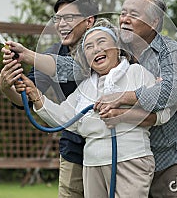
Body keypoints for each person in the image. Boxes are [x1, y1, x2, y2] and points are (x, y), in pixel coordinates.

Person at [6, 0, 177, 197]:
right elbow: (71, 67)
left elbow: (169, 93)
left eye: (133, 14)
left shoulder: (170, 51)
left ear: (154, 21)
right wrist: (27, 55)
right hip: (129, 155)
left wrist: (122, 98)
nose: (124, 19)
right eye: (123, 13)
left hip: (172, 154)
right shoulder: (114, 45)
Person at [12, 23, 163, 197]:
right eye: (89, 47)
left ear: (118, 47)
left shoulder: (137, 73)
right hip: (92, 163)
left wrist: (122, 115)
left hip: (131, 159)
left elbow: (162, 114)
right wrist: (36, 95)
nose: (95, 49)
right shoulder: (85, 86)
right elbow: (66, 119)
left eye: (101, 42)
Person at [0, 0, 97, 198]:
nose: (61, 24)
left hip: (108, 144)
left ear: (89, 21)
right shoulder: (52, 52)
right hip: (73, 145)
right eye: (58, 18)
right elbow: (26, 97)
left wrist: (29, 55)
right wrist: (7, 87)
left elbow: (78, 67)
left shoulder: (104, 46)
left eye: (69, 17)